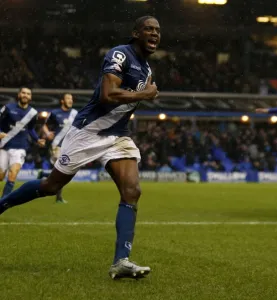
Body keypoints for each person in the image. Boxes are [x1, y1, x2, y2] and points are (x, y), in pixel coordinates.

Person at [0, 16, 160, 280]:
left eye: (157, 30)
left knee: (132, 191)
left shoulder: (147, 70)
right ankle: (3, 203)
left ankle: (121, 261)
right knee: (51, 186)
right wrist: (144, 94)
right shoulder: (120, 55)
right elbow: (108, 94)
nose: (154, 34)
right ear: (135, 33)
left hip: (117, 136)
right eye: (149, 29)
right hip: (88, 132)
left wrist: (141, 96)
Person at [0, 87, 45, 197]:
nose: (25, 95)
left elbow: (30, 129)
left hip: (20, 147)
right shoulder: (8, 108)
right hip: (4, 146)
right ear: (19, 94)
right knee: (0, 176)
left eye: (28, 94)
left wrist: (37, 139)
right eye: (23, 93)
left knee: (13, 174)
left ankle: (2, 203)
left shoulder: (33, 113)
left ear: (30, 97)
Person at [37, 93, 77, 203]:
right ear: (62, 101)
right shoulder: (55, 113)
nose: (70, 100)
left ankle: (43, 174)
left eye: (71, 99)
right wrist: (47, 133)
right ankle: (59, 198)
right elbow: (44, 124)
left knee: (61, 171)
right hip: (57, 145)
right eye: (68, 98)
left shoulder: (75, 114)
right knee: (62, 169)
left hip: (69, 146)